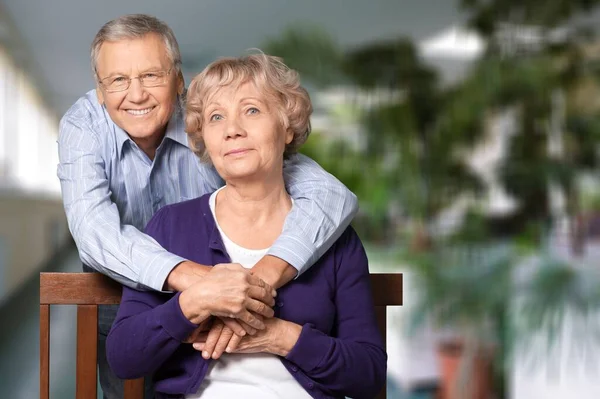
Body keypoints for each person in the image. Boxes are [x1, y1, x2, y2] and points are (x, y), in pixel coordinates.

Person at [57, 14, 358, 399]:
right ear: (100, 91)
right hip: (128, 295)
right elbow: (94, 233)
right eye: (118, 80)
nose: (136, 94)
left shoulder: (211, 118)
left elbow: (329, 194)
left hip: (232, 288)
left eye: (151, 75)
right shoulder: (82, 126)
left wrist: (254, 283)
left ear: (178, 80)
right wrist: (203, 284)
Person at [105, 53, 386, 399]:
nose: (232, 130)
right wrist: (192, 303)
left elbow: (368, 372)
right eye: (216, 117)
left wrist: (279, 335)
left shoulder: (335, 239)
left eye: (251, 110)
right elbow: (123, 357)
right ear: (204, 138)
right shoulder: (171, 226)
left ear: (287, 128)